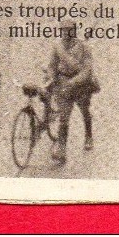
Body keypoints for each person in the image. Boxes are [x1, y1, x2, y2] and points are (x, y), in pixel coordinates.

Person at [48, 25, 97, 163]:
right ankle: (61, 150)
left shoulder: (84, 47)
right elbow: (52, 65)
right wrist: (51, 76)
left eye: (68, 30)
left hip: (80, 85)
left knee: (85, 111)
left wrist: (73, 82)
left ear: (73, 32)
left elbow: (87, 71)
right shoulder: (57, 46)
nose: (65, 33)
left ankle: (88, 136)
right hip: (63, 84)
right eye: (63, 30)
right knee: (64, 118)